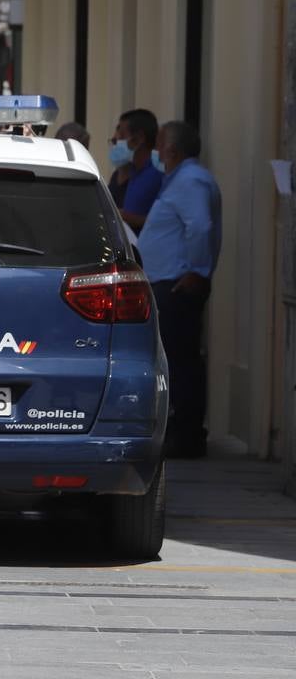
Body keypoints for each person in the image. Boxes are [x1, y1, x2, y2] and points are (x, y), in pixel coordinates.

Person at [137, 121, 221, 459]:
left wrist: (196, 272)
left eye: (158, 145)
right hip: (167, 285)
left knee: (181, 363)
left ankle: (187, 435)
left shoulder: (190, 181)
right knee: (175, 360)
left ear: (172, 150)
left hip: (177, 287)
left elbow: (200, 226)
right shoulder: (181, 181)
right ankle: (180, 430)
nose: (156, 152)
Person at [107, 109, 163, 232]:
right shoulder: (134, 172)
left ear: (139, 138)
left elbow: (163, 221)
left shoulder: (158, 173)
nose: (116, 142)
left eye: (121, 136)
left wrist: (124, 216)